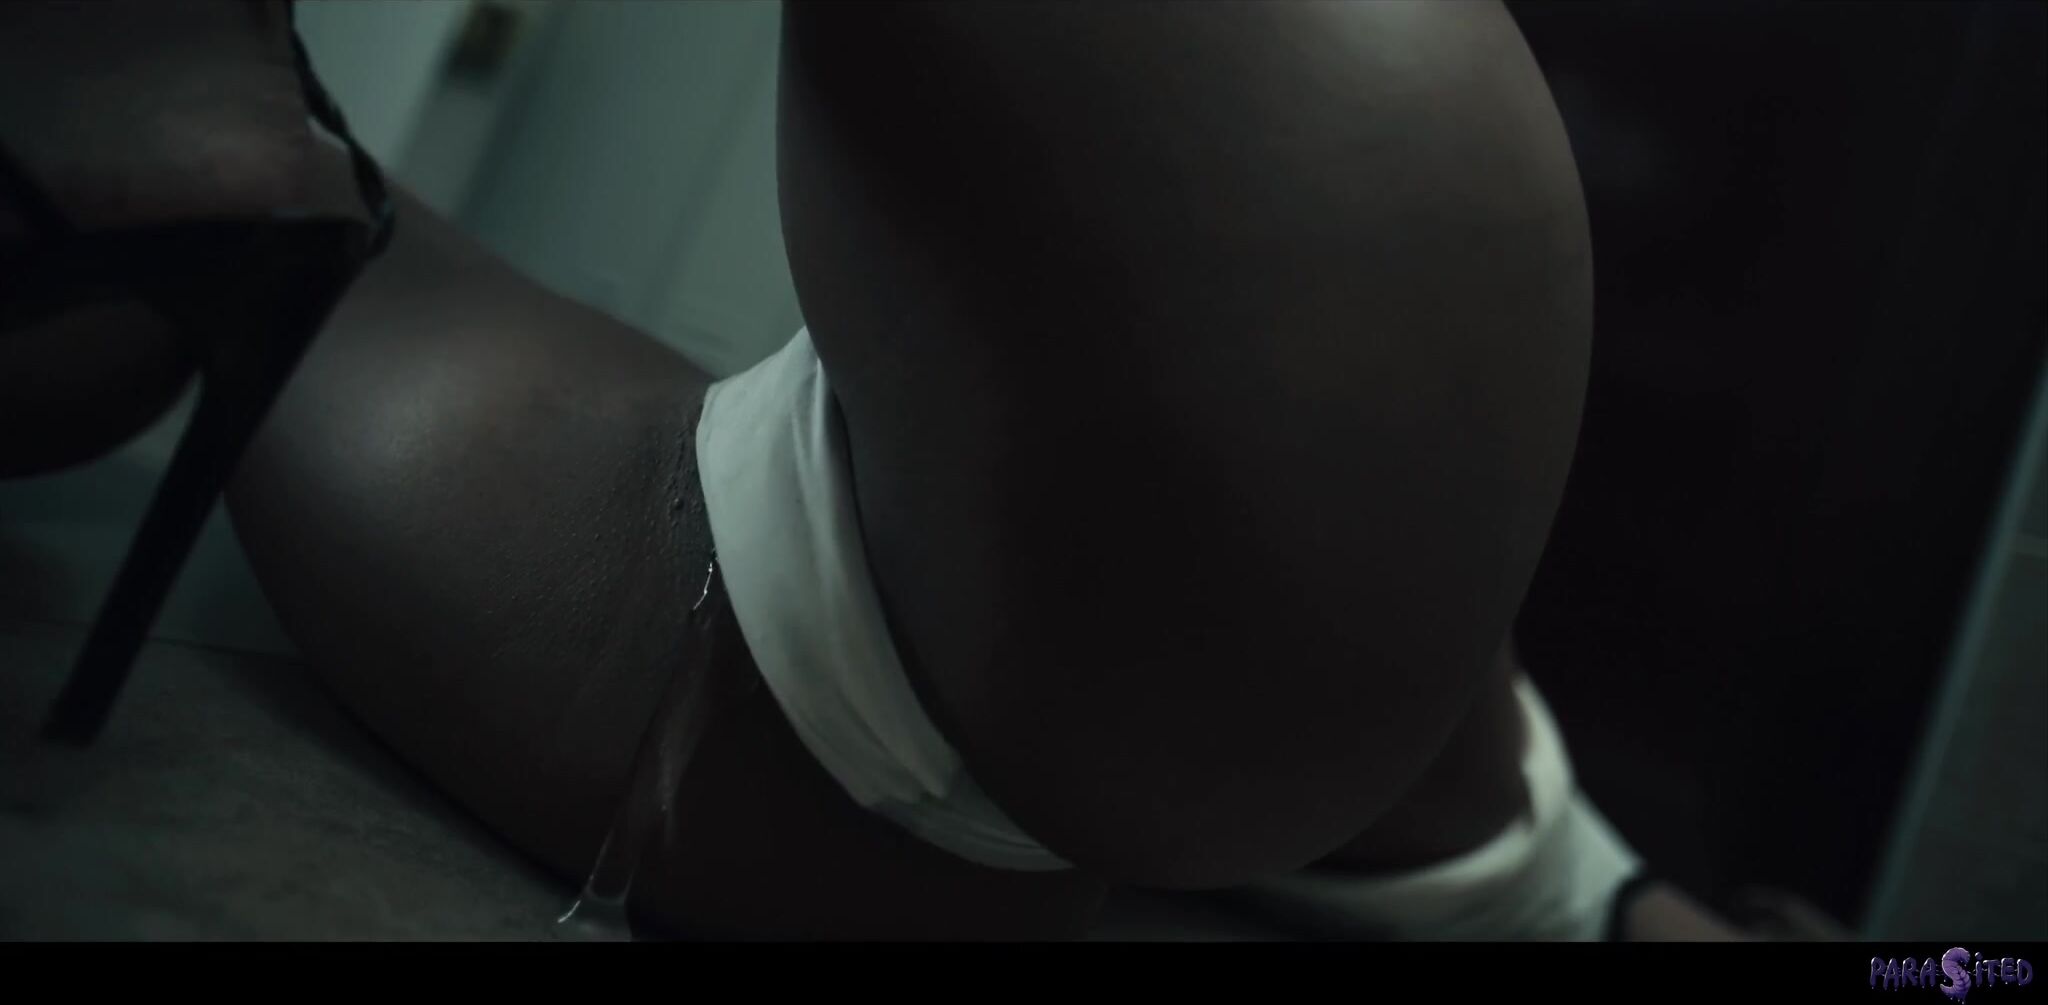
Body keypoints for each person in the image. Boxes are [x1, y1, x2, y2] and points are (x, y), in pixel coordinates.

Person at [0, 0, 1838, 940]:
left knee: (321, 240)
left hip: (907, 705)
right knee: (318, 240)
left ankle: (160, 110)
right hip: (957, 724)